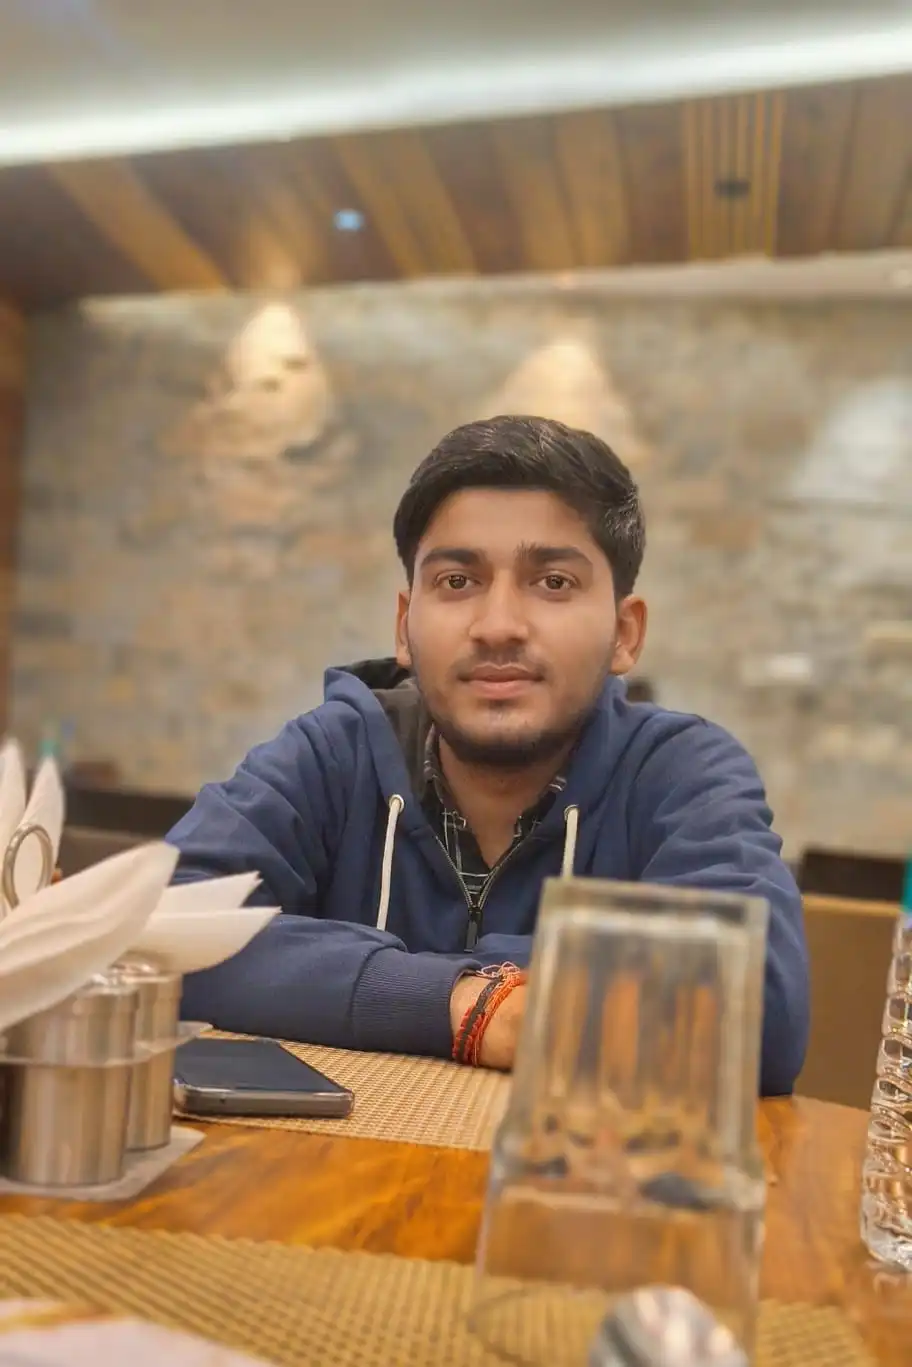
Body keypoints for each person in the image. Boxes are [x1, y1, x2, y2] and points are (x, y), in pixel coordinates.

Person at [169, 415, 809, 1095]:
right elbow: (158, 932)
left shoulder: (680, 773)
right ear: (404, 627)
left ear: (625, 633)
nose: (499, 626)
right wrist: (466, 1003)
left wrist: (340, 980)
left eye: (553, 582)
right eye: (457, 581)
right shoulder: (335, 752)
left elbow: (755, 1008)